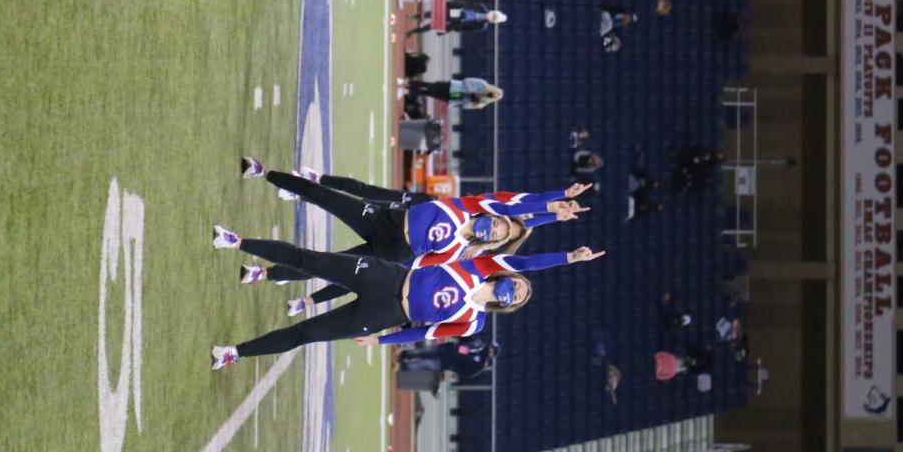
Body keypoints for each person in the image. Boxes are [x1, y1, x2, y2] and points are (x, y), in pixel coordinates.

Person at [239, 161, 592, 311]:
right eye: (501, 222)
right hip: (405, 215)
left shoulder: (469, 256)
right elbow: (517, 204)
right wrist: (556, 200)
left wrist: (566, 252)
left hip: (398, 252)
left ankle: (267, 274)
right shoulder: (473, 206)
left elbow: (525, 258)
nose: (499, 228)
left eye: (502, 233)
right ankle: (282, 178)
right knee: (359, 195)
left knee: (329, 267)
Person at [208, 241, 606, 367]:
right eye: (518, 286)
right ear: (509, 277)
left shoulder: (473, 324)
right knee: (310, 260)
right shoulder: (477, 267)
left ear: (511, 306)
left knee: (305, 334)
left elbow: (425, 333)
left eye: (518, 299)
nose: (515, 292)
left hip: (385, 315)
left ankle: (233, 353)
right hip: (388, 276)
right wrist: (569, 258)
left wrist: (380, 342)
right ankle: (236, 242)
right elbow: (525, 261)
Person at [409, 0, 509, 35]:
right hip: (457, 11)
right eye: (494, 15)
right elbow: (465, 3)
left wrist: (455, 28)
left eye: (494, 18)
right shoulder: (481, 6)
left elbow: (468, 29)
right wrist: (451, 3)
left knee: (433, 26)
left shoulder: (481, 26)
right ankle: (415, 17)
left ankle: (414, 31)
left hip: (457, 22)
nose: (492, 17)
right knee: (434, 14)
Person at [406, 76, 503, 109]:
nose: (493, 94)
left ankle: (409, 90)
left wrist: (471, 101)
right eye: (495, 92)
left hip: (455, 97)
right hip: (453, 87)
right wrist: (472, 92)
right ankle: (409, 82)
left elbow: (465, 106)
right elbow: (467, 81)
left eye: (495, 96)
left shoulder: (482, 103)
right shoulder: (483, 84)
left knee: (430, 93)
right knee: (431, 86)